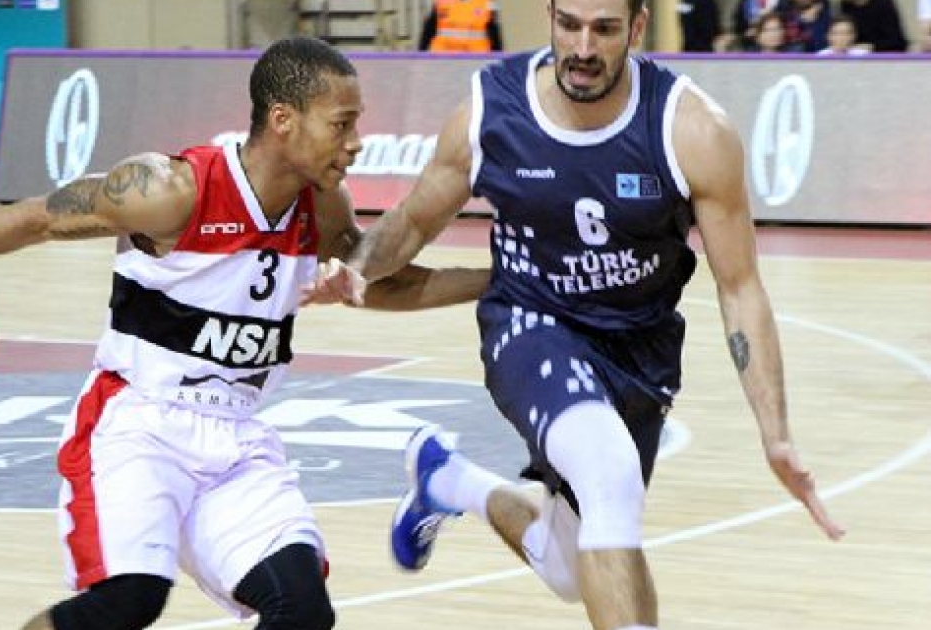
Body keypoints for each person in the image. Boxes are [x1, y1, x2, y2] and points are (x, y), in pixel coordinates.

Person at [0, 36, 487, 630]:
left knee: (301, 611)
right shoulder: (169, 190)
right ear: (283, 120)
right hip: (139, 425)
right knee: (129, 600)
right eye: (341, 125)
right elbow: (37, 219)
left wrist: (501, 280)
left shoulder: (322, 206)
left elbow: (379, 283)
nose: (355, 143)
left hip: (235, 436)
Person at [305, 0, 846, 627]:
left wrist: (776, 434)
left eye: (605, 29)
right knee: (609, 471)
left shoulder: (691, 129)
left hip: (639, 350)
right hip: (531, 324)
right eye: (569, 24)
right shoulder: (491, 110)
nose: (583, 48)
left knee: (568, 567)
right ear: (550, 17)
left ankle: (448, 481)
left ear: (638, 28)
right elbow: (413, 221)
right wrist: (357, 268)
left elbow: (741, 287)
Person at [419, 0, 505, 53]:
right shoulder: (441, 2)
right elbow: (429, 30)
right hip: (444, 59)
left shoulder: (487, 4)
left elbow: (495, 34)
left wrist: (499, 59)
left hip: (475, 59)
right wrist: (420, 56)